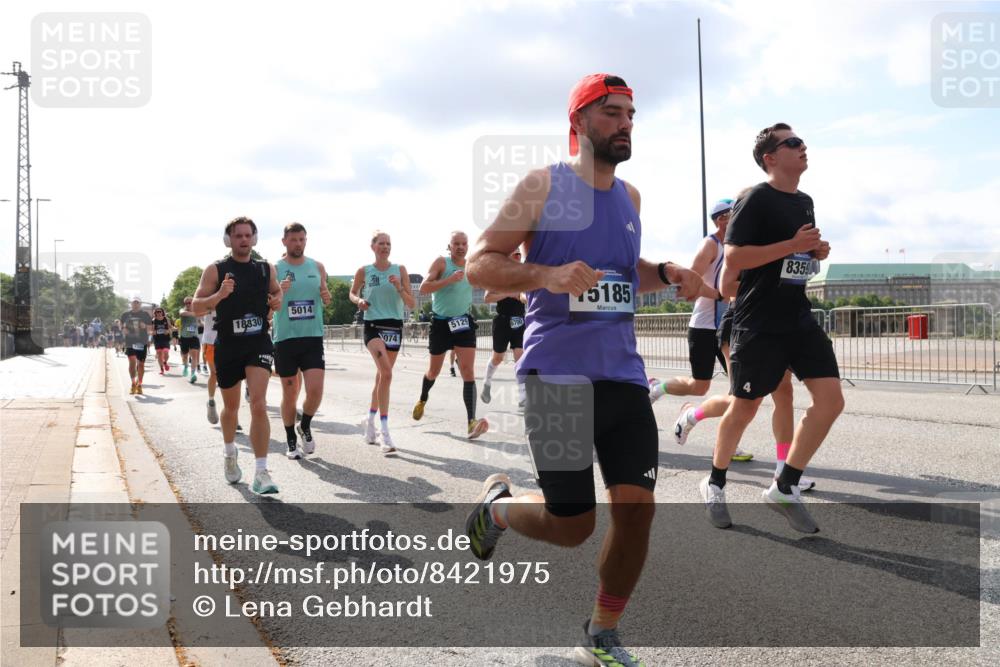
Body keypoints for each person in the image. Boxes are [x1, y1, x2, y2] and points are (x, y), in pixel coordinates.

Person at [464, 74, 704, 667]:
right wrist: (544, 275)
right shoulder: (545, 185)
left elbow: (621, 271)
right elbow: (479, 265)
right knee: (572, 525)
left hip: (623, 373)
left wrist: (668, 271)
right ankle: (497, 507)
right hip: (558, 375)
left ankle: (602, 632)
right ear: (578, 123)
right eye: (612, 113)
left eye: (630, 114)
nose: (625, 123)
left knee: (638, 511)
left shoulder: (632, 198)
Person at [699, 123, 841, 534]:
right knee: (744, 407)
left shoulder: (805, 201)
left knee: (830, 400)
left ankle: (784, 485)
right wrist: (793, 246)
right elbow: (736, 258)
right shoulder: (754, 199)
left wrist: (815, 253)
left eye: (802, 141)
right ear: (771, 158)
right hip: (757, 321)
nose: (803, 146)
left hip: (797, 316)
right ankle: (715, 481)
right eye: (793, 143)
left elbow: (796, 264)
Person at [648, 198, 752, 462]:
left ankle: (728, 444)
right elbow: (690, 283)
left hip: (730, 327)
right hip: (705, 326)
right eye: (734, 214)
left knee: (740, 392)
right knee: (699, 386)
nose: (741, 218)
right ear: (721, 220)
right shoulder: (710, 245)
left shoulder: (739, 246)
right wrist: (719, 294)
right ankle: (658, 388)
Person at [191, 216, 283, 495]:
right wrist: (219, 295)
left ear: (254, 239)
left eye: (247, 235)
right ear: (228, 240)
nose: (243, 240)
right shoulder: (215, 270)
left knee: (258, 404)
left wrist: (277, 299)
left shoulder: (266, 269)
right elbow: (196, 306)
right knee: (231, 409)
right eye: (238, 235)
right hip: (228, 344)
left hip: (258, 342)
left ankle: (262, 472)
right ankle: (230, 453)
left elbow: (276, 292)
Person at [412, 230, 489, 440]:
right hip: (441, 323)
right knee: (433, 371)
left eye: (464, 243)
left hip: (463, 322)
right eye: (456, 243)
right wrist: (449, 280)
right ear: (450, 246)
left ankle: (471, 422)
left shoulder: (470, 265)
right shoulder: (441, 263)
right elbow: (424, 288)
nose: (461, 247)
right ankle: (422, 399)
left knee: (468, 371)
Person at [351, 231, 416, 455]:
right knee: (387, 374)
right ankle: (384, 431)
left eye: (388, 243)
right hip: (373, 326)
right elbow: (352, 292)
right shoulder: (364, 271)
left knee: (381, 377)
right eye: (381, 243)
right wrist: (359, 300)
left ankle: (369, 420)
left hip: (394, 326)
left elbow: (411, 303)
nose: (385, 247)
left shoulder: (400, 270)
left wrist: (399, 287)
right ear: (373, 247)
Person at [273, 223, 332, 459]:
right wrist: (278, 291)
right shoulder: (274, 269)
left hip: (312, 336)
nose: (298, 243)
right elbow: (268, 303)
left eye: (302, 239)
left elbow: (325, 297)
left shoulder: (317, 267)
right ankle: (290, 439)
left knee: (315, 391)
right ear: (284, 241)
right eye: (294, 239)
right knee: (290, 392)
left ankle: (305, 425)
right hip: (286, 338)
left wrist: (326, 296)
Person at [480, 249, 527, 407]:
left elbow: (523, 296)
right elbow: (487, 297)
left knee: (519, 355)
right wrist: (508, 293)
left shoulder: (524, 276)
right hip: (502, 321)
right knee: (498, 358)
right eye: (514, 253)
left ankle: (522, 395)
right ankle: (487, 383)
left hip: (518, 320)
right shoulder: (498, 276)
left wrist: (522, 296)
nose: (518, 256)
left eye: (519, 254)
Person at [120, 297, 153, 395]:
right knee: (132, 363)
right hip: (130, 342)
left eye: (137, 302)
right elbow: (121, 326)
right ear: (131, 304)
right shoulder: (125, 315)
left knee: (141, 364)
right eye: (134, 302)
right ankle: (133, 383)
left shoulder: (145, 314)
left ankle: (140, 384)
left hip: (141, 342)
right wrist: (123, 329)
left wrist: (145, 326)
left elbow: (151, 327)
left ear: (140, 304)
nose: (135, 304)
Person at [202, 309, 220, 424]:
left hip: (230, 341)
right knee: (214, 373)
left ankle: (232, 415)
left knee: (230, 377)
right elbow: (196, 310)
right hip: (211, 342)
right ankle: (211, 401)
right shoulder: (207, 294)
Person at [178, 298, 202, 383]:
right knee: (185, 357)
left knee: (194, 355)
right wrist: (196, 314)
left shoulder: (197, 311)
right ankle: (185, 366)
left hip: (193, 337)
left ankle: (193, 374)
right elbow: (183, 313)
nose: (188, 304)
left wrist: (200, 323)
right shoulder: (182, 310)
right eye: (186, 303)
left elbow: (200, 321)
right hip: (184, 337)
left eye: (190, 302)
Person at [151, 307, 173, 374]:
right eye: (157, 312)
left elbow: (170, 327)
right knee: (159, 354)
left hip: (165, 339)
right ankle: (161, 369)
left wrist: (168, 331)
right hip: (157, 339)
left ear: (162, 312)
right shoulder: (154, 320)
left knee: (166, 353)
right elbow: (152, 330)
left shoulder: (166, 319)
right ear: (155, 313)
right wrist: (154, 332)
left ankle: (165, 362)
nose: (159, 313)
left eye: (160, 311)